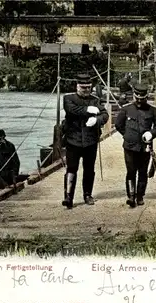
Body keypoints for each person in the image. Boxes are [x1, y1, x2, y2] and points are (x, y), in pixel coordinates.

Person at [62, 74, 109, 209]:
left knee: (89, 169)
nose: (86, 90)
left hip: (90, 140)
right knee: (71, 168)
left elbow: (105, 115)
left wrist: (97, 120)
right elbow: (71, 110)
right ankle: (68, 196)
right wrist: (87, 110)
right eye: (83, 87)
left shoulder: (95, 100)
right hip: (73, 140)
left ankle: (87, 194)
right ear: (77, 86)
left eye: (88, 87)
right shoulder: (68, 98)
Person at [115, 83, 156, 207]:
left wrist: (151, 134)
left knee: (142, 172)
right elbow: (118, 125)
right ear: (134, 96)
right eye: (137, 99)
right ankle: (131, 196)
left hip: (145, 147)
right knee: (131, 171)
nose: (139, 101)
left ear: (146, 97)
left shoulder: (152, 110)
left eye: (142, 99)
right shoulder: (126, 109)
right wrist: (127, 136)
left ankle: (140, 196)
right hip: (130, 147)